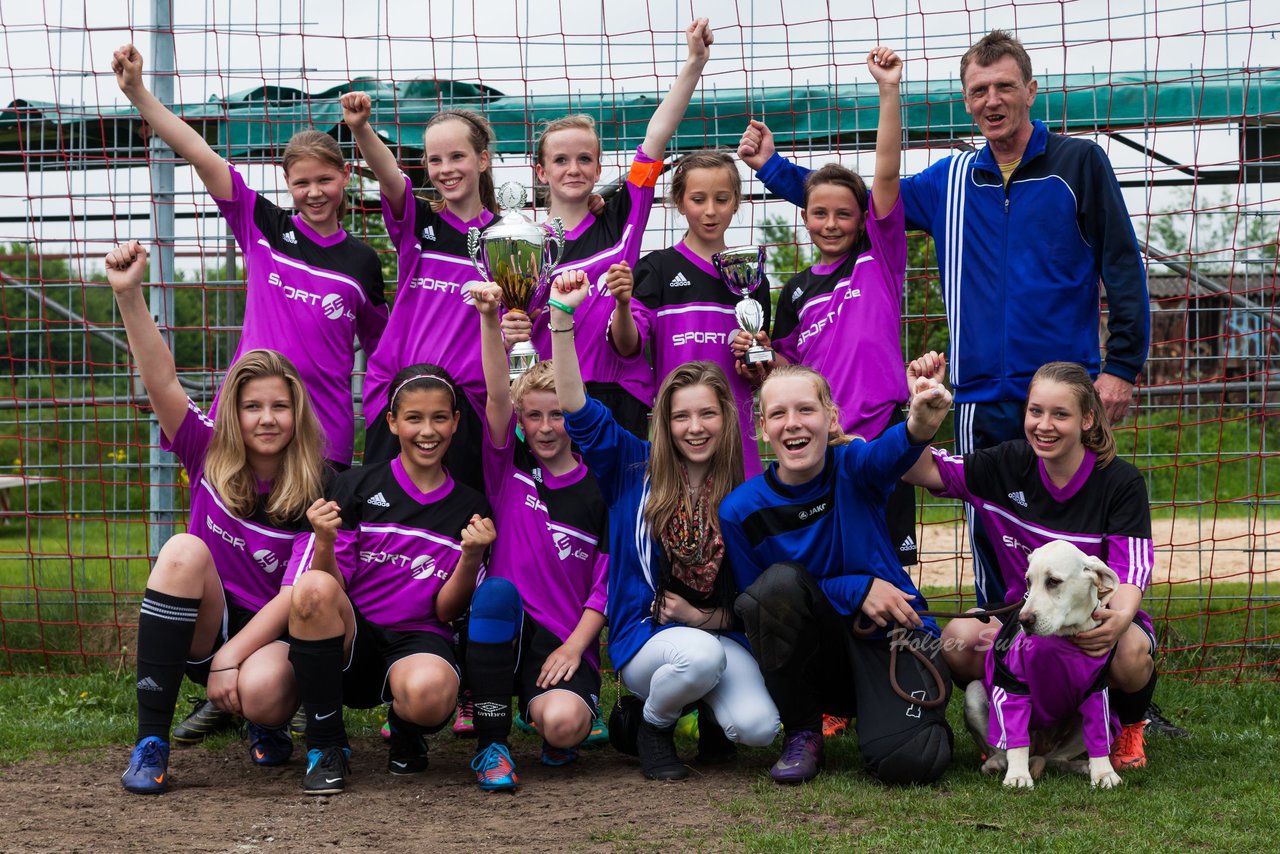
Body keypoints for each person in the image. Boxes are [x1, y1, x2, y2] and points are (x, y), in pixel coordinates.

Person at [738, 29, 1149, 608]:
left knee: (1084, 525)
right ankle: (1002, 656)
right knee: (996, 534)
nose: (992, 101)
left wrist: (1122, 366)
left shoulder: (1079, 164)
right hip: (981, 396)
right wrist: (773, 168)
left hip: (1064, 389)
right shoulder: (949, 181)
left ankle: (1112, 666)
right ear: (966, 99)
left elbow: (1122, 265)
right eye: (979, 90)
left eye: (1005, 86)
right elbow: (864, 199)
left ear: (1031, 90)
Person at [106, 241, 326, 794]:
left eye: (279, 406)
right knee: (182, 549)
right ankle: (151, 741)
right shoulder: (206, 449)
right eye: (253, 406)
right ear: (235, 411)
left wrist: (235, 656)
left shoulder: (319, 483)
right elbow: (161, 381)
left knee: (264, 692)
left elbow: (292, 595)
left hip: (271, 639)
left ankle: (265, 722)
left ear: (296, 413)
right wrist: (130, 295)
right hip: (208, 629)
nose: (267, 419)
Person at [112, 44, 388, 470]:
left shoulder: (362, 263)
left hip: (323, 443)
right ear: (287, 182)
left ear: (346, 175)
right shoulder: (262, 224)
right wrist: (138, 93)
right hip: (244, 431)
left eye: (325, 180)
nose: (314, 192)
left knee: (314, 539)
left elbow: (385, 356)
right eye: (302, 183)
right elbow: (199, 153)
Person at [550, 273, 780, 781]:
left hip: (715, 635)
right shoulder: (631, 467)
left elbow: (755, 591)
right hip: (647, 636)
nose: (694, 428)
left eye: (706, 415)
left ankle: (710, 718)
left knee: (759, 728)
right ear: (663, 421)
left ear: (726, 417)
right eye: (681, 418)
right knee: (696, 658)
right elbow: (575, 407)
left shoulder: (746, 488)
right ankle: (653, 725)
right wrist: (562, 320)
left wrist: (710, 620)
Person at [902, 354, 1160, 770]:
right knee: (959, 637)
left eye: (1061, 414)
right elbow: (916, 470)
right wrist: (921, 417)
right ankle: (1011, 729)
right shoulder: (1006, 464)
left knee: (1130, 652)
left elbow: (1131, 571)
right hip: (1024, 615)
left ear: (1088, 421)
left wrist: (1118, 617)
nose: (1044, 425)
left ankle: (1128, 727)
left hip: (1091, 620)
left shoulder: (1120, 482)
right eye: (1035, 411)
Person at [722, 363, 954, 786]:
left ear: (831, 418)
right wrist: (855, 587)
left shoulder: (855, 467)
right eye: (778, 414)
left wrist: (919, 420)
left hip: (890, 636)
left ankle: (886, 718)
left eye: (806, 410)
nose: (793, 424)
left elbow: (890, 451)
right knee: (774, 589)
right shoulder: (740, 511)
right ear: (762, 427)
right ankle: (803, 731)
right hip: (817, 659)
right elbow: (751, 606)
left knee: (914, 760)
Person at [284, 364, 495, 794]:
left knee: (433, 695)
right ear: (392, 422)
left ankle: (406, 729)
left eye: (439, 417)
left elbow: (446, 610)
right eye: (414, 418)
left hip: (418, 638)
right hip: (355, 636)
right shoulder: (355, 487)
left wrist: (471, 558)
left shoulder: (471, 505)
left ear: (456, 422)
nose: (427, 430)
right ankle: (326, 745)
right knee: (309, 588)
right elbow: (327, 591)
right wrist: (324, 541)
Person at [504, 18, 713, 440]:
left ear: (599, 168)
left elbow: (656, 137)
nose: (574, 168)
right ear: (541, 172)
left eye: (584, 159)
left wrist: (693, 63)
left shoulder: (620, 221)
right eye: (560, 161)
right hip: (547, 396)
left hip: (618, 393)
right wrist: (510, 329)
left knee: (617, 505)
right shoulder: (521, 247)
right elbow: (514, 326)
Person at [460, 283, 610, 791]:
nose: (546, 428)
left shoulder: (598, 486)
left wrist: (574, 648)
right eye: (535, 416)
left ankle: (549, 720)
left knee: (565, 726)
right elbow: (498, 392)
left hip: (564, 638)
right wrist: (488, 320)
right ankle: (491, 746)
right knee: (496, 593)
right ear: (521, 422)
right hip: (503, 628)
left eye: (559, 414)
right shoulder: (509, 466)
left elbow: (605, 586)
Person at [342, 95, 498, 490]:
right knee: (382, 519)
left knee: (455, 523)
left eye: (457, 157)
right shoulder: (418, 223)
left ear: (482, 160)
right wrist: (361, 128)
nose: (445, 169)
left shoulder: (507, 240)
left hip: (463, 408)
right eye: (435, 160)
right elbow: (390, 175)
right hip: (397, 397)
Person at [626, 150, 769, 477]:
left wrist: (756, 362)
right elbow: (628, 346)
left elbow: (759, 374)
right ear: (679, 201)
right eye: (698, 199)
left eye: (721, 199)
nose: (710, 211)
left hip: (735, 440)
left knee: (736, 522)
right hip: (678, 436)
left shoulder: (752, 277)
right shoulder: (656, 269)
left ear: (736, 201)